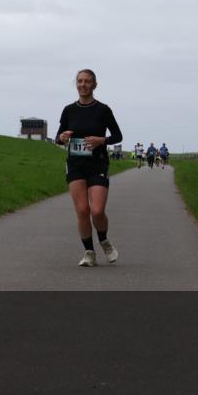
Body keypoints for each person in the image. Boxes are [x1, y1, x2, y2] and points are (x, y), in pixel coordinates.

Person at [56, 69, 123, 267]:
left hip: (98, 163)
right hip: (76, 164)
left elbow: (118, 136)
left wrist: (101, 140)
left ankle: (104, 241)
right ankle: (89, 252)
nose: (83, 85)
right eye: (79, 81)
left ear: (94, 85)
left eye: (87, 81)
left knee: (97, 210)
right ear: (76, 84)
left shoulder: (103, 110)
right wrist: (62, 138)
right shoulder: (69, 110)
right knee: (82, 210)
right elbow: (59, 137)